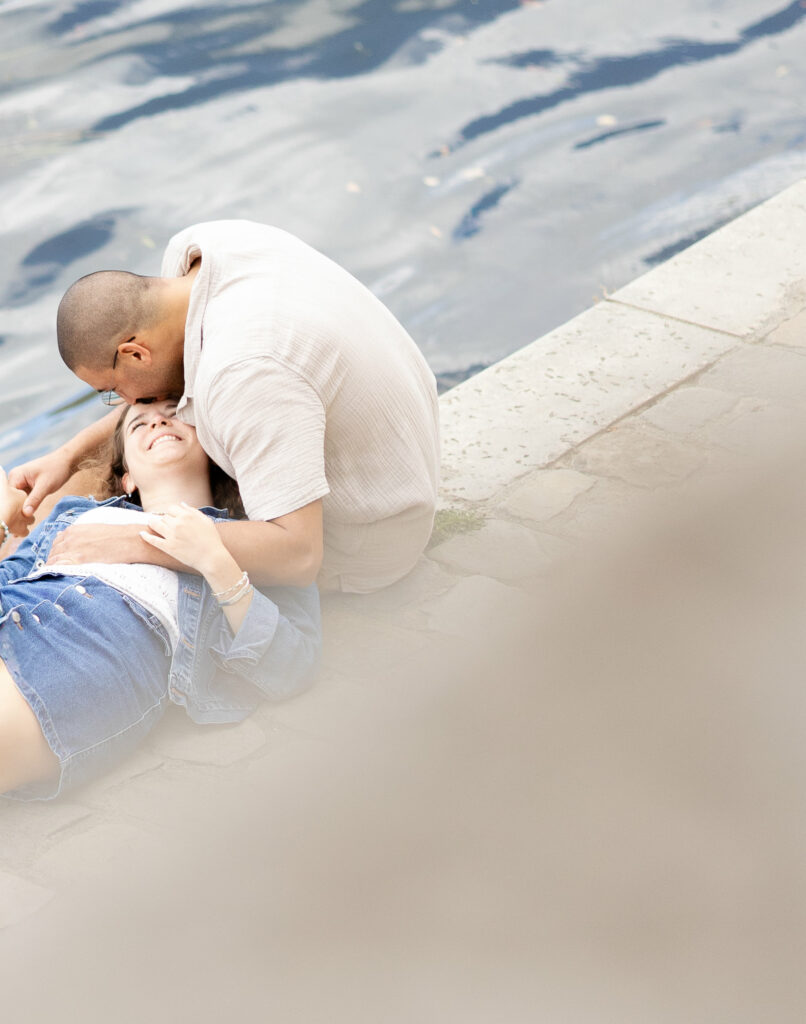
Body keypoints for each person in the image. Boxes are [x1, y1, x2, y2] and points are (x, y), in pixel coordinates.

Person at [9, 221, 441, 593]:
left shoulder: (242, 371)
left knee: (110, 492)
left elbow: (299, 556)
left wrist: (131, 541)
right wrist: (67, 455)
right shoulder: (210, 247)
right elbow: (170, 389)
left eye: (113, 389)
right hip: (407, 461)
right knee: (98, 465)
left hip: (372, 537)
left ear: (136, 353)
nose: (124, 403)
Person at [0, 399, 321, 800]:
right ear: (127, 478)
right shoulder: (75, 514)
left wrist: (215, 561)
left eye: (175, 412)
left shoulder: (248, 542)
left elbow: (293, 665)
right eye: (138, 425)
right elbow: (11, 576)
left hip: (81, 647)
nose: (158, 421)